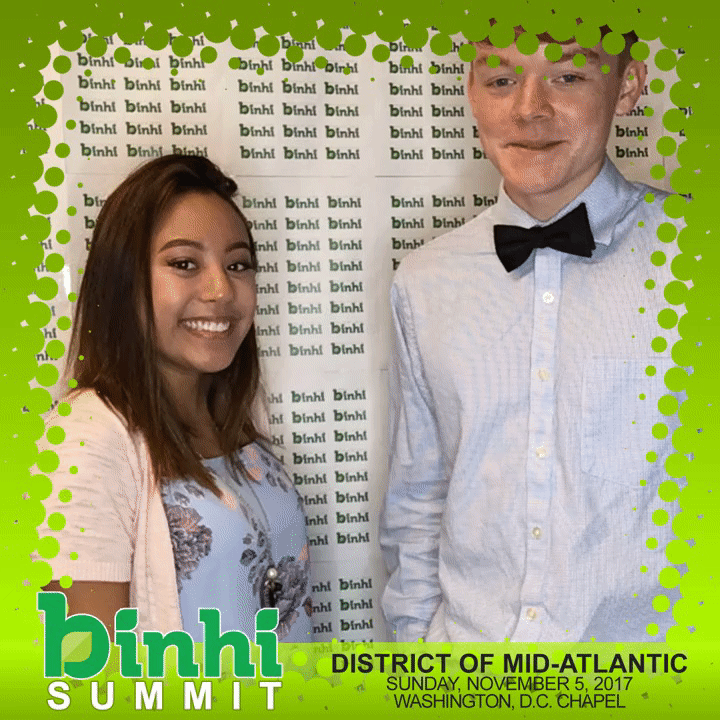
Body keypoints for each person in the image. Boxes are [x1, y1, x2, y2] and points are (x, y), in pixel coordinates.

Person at [380, 29, 684, 642]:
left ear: (627, 85)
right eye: (501, 80)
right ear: (472, 93)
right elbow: (419, 502)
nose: (529, 109)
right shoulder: (424, 280)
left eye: (567, 76)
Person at [38, 155, 313, 641]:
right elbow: (84, 662)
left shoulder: (234, 425)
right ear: (123, 281)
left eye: (238, 264)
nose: (220, 289)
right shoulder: (88, 437)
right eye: (184, 264)